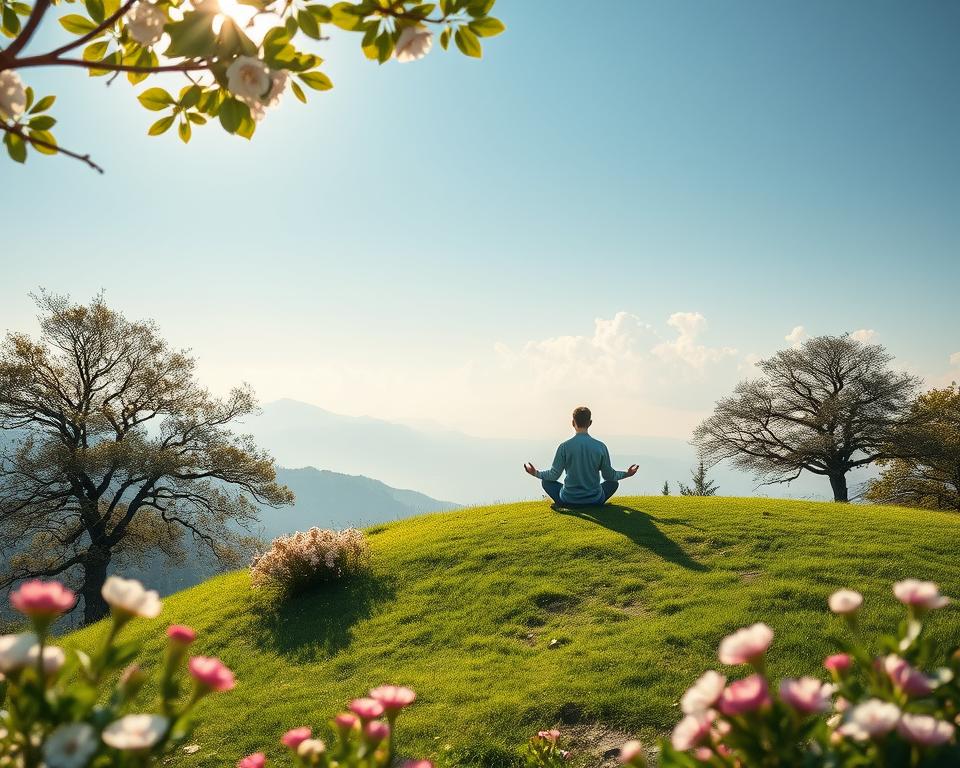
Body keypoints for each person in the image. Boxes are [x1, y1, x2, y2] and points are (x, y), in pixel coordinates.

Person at [524, 406, 639, 508]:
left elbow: (553, 475)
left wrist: (536, 473)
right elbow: (609, 476)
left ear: (573, 423)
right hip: (595, 499)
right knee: (614, 483)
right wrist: (627, 473)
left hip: (569, 499)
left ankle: (563, 504)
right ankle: (593, 504)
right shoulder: (600, 447)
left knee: (546, 482)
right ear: (590, 423)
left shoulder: (564, 447)